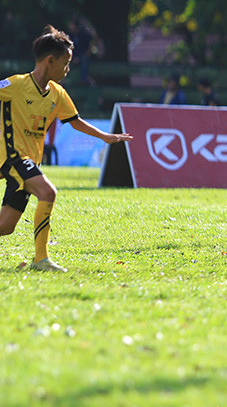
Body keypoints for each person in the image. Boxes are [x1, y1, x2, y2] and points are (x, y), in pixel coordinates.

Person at [0, 25, 132, 271]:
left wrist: (105, 136)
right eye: (66, 62)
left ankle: (40, 259)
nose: (68, 69)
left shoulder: (57, 94)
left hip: (29, 161)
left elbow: (75, 121)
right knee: (48, 193)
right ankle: (41, 260)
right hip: (12, 157)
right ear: (50, 61)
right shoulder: (15, 85)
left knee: (6, 226)